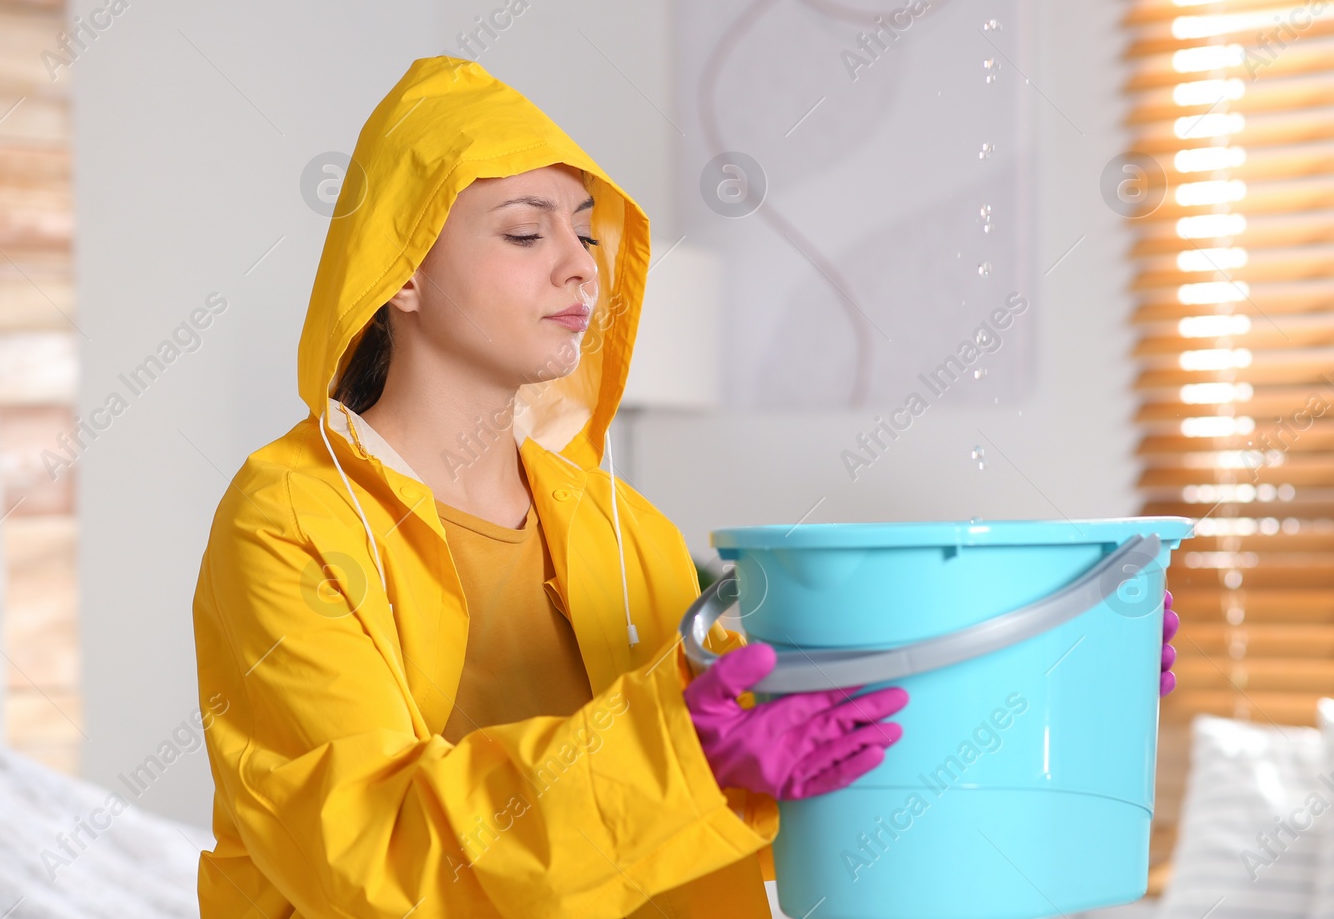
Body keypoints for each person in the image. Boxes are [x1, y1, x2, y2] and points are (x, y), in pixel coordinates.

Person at [190, 55, 1180, 918]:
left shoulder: (628, 531)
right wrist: (687, 756)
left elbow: (798, 753)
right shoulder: (289, 516)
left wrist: (1058, 664)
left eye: (583, 231)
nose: (581, 265)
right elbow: (364, 844)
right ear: (399, 273)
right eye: (526, 234)